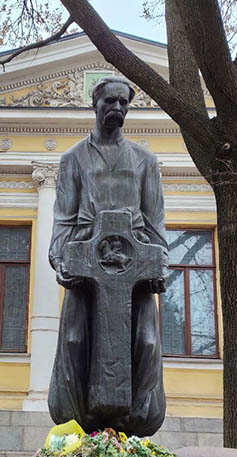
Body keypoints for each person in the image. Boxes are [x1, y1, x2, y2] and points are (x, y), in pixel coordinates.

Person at [48, 77, 168, 437]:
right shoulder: (73, 159)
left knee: (145, 342)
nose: (117, 109)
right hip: (87, 264)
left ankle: (132, 428)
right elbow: (63, 221)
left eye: (123, 103)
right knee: (75, 342)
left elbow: (156, 221)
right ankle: (80, 425)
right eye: (109, 103)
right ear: (95, 105)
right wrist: (62, 260)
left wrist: (159, 262)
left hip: (135, 268)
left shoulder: (145, 160)